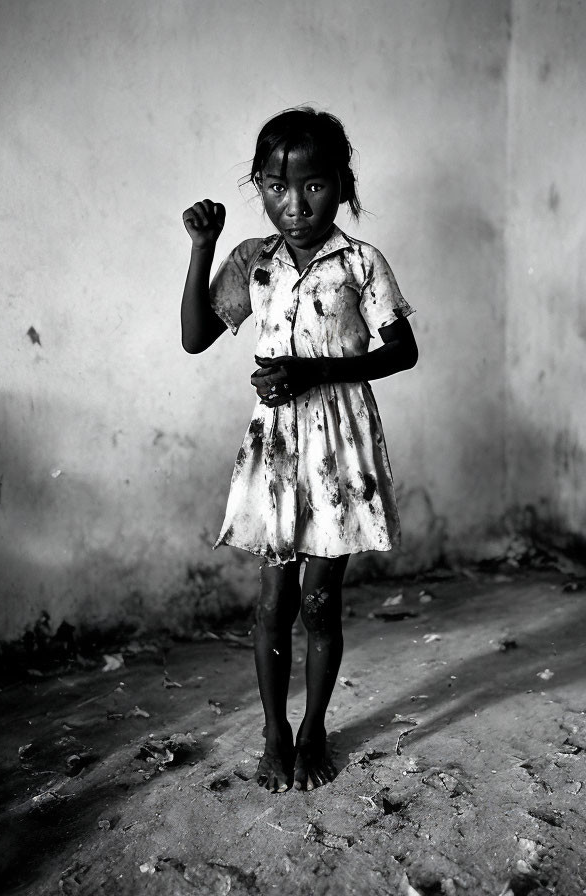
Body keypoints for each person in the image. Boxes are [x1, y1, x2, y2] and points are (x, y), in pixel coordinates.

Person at [180, 107, 418, 793]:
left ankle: (313, 728)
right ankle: (273, 731)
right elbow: (197, 337)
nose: (295, 205)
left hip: (339, 442)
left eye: (313, 187)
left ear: (340, 184)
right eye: (277, 188)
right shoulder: (254, 259)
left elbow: (401, 350)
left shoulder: (361, 262)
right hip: (277, 445)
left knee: (320, 601)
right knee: (273, 600)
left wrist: (316, 371)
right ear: (259, 186)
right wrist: (204, 248)